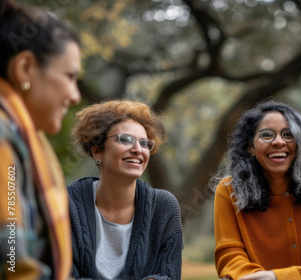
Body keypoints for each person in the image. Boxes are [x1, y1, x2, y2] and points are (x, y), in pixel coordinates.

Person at [212, 101, 301, 280]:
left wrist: (278, 277)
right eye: (267, 135)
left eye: (289, 135)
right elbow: (229, 256)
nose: (279, 142)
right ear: (250, 147)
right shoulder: (229, 192)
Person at [0, 0, 81, 279]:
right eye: (69, 76)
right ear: (25, 68)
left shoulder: (23, 134)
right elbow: (12, 263)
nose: (75, 95)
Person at [68, 100, 183, 280]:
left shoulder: (164, 207)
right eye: (125, 140)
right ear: (97, 151)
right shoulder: (66, 204)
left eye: (145, 143)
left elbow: (168, 276)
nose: (138, 149)